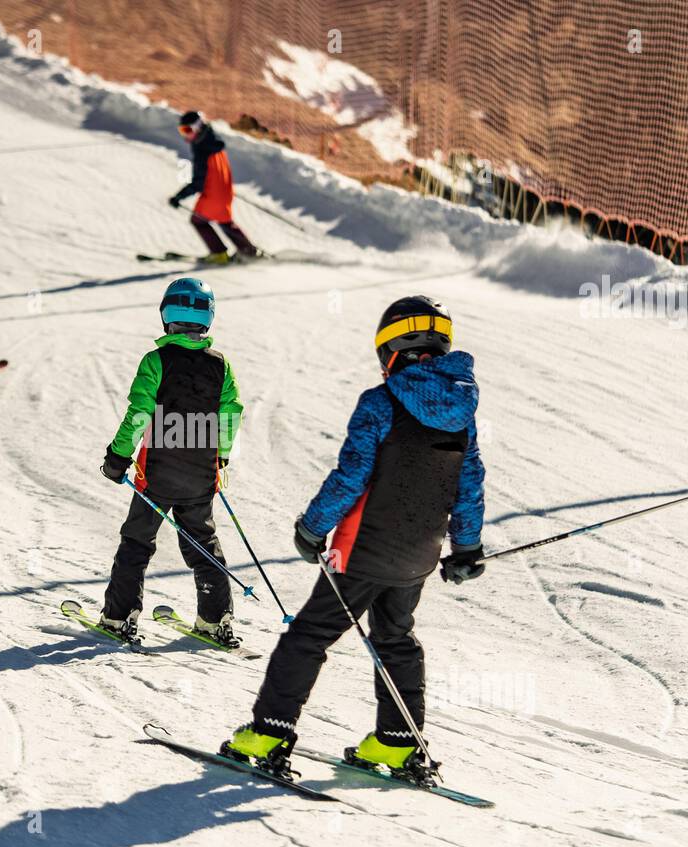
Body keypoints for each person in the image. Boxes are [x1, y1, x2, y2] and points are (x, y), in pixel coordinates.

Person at [222, 295, 486, 781]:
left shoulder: (381, 402)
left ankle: (269, 732)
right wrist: (466, 547)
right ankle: (397, 742)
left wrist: (312, 528)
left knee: (309, 636)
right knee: (395, 638)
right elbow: (468, 483)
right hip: (418, 555)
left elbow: (352, 476)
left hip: (363, 550)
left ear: (389, 351)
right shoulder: (463, 411)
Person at [97, 278, 244, 645]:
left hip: (157, 474)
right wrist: (220, 457)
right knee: (202, 541)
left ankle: (120, 617)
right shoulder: (221, 366)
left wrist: (118, 456)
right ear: (207, 319)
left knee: (137, 540)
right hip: (200, 475)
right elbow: (230, 415)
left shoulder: (156, 361)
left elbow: (140, 413)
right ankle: (216, 619)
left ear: (166, 315)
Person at [169, 111, 260, 265]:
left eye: (187, 130)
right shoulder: (212, 140)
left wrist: (178, 197)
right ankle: (248, 251)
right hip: (224, 191)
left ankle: (219, 254)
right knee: (224, 221)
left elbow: (198, 182)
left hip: (212, 194)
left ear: (197, 127)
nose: (185, 135)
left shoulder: (202, 149)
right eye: (182, 131)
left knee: (199, 221)